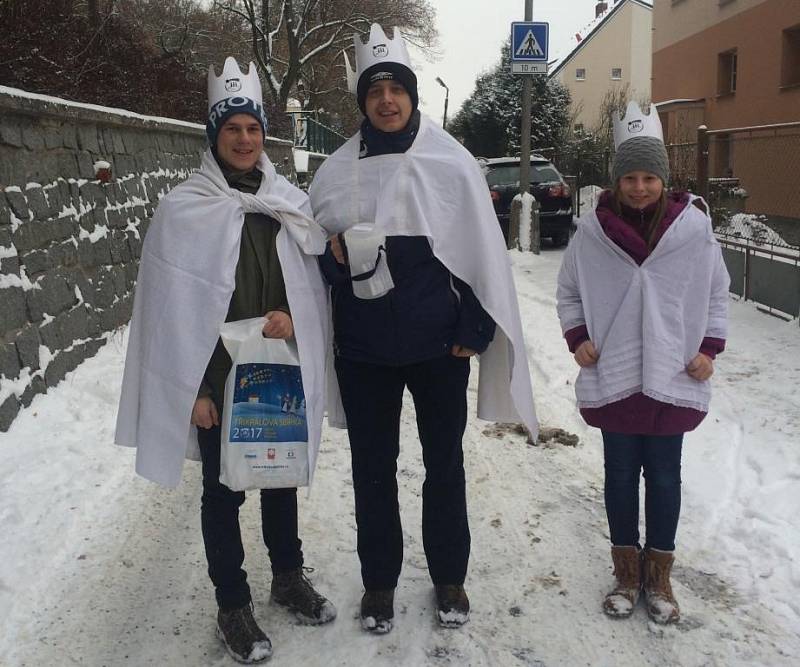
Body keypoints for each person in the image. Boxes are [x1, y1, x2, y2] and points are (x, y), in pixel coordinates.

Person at [309, 24, 538, 634]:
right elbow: (309, 260)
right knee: (372, 470)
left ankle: (449, 577)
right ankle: (379, 582)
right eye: (375, 89)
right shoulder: (333, 173)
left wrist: (476, 324)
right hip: (364, 354)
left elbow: (481, 253)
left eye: (397, 89)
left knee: (445, 463)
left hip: (439, 348)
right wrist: (331, 260)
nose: (387, 99)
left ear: (410, 96)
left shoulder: (450, 162)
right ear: (363, 100)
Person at [116, 57, 335, 663]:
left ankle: (287, 577)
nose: (244, 139)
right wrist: (196, 390)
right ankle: (232, 605)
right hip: (217, 378)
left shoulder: (286, 204)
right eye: (232, 128)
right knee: (223, 492)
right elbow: (171, 311)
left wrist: (294, 316)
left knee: (280, 477)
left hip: (275, 368)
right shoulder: (184, 208)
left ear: (265, 136)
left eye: (253, 129)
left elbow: (310, 285)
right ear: (213, 135)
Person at [556, 102, 730, 624]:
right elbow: (568, 293)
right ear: (616, 179)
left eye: (648, 176)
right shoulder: (591, 234)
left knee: (665, 477)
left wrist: (708, 350)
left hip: (672, 373)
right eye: (629, 176)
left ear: (663, 178)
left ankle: (659, 577)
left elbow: (716, 294)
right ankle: (626, 573)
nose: (638, 187)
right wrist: (579, 338)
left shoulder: (693, 231)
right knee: (618, 475)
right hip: (616, 374)